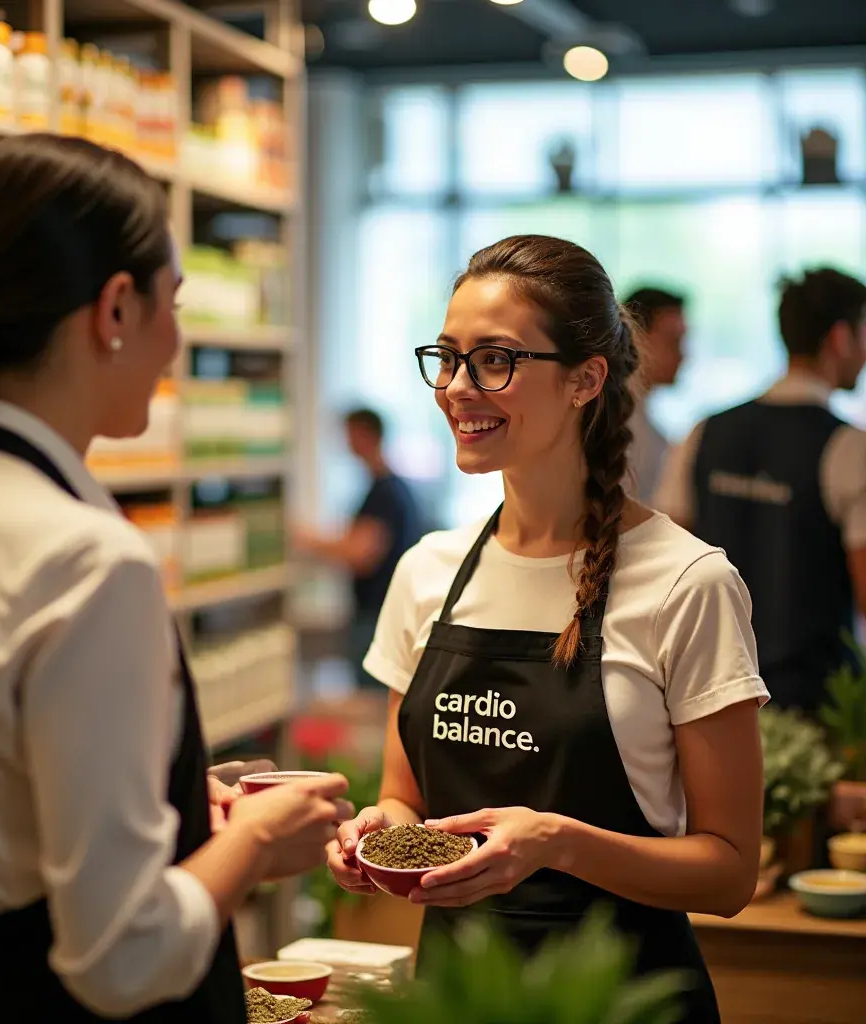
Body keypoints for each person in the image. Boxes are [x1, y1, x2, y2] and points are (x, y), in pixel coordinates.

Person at [0, 134, 352, 1024]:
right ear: (116, 309)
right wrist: (258, 842)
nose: (176, 342)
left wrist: (165, 807)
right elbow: (121, 957)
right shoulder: (85, 557)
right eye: (174, 304)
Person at [327, 235, 767, 1024]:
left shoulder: (686, 582)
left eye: (495, 359)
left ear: (585, 380)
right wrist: (376, 835)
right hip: (456, 999)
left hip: (622, 1000)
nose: (458, 387)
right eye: (448, 357)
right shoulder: (429, 571)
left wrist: (558, 843)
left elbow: (730, 873)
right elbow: (405, 800)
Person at [656, 267, 866, 712]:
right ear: (841, 338)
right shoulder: (848, 446)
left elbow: (664, 565)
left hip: (710, 692)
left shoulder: (704, 432)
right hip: (816, 706)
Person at [294, 408, 425, 690]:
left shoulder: (386, 492)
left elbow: (361, 553)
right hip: (375, 611)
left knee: (373, 696)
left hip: (376, 615)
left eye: (349, 433)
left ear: (365, 435)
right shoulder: (384, 487)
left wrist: (309, 541)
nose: (345, 442)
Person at [623, 286, 686, 504]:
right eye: (673, 341)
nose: (683, 355)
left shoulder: (647, 426)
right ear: (636, 338)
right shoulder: (612, 425)